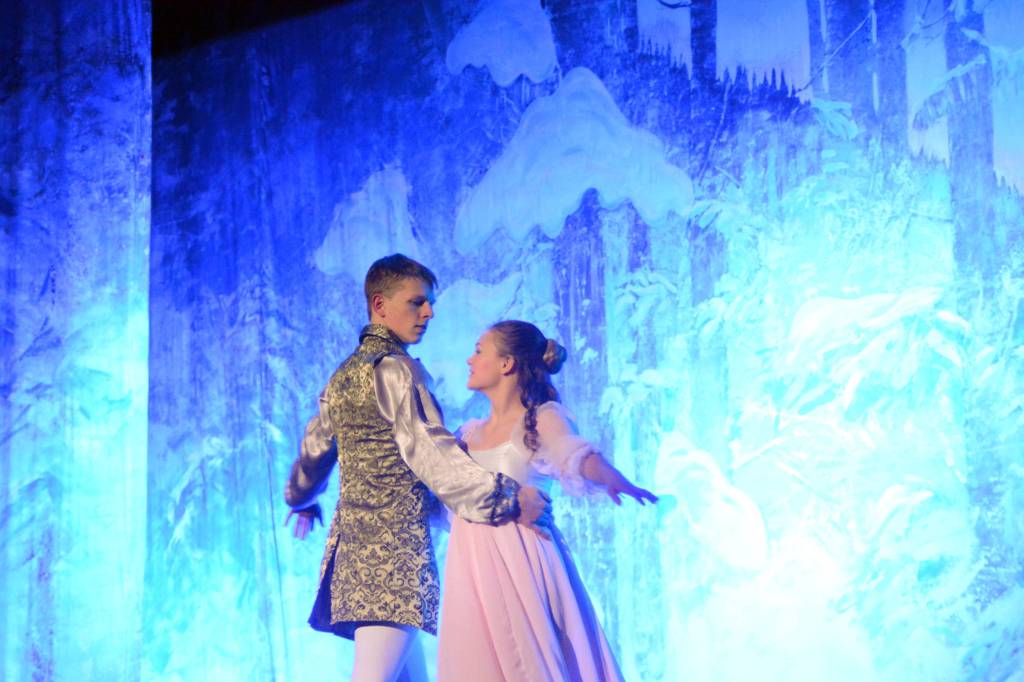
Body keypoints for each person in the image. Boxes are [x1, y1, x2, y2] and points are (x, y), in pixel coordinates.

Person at [284, 255, 552, 682]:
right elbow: (433, 454)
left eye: (429, 303)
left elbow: (314, 452)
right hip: (394, 563)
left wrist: (299, 499)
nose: (428, 312)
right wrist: (507, 496)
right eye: (417, 302)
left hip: (355, 563)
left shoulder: (342, 376)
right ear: (380, 304)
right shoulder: (395, 371)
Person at [437, 320, 657, 682]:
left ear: (507, 364)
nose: (469, 360)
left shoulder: (539, 419)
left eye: (479, 350)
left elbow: (573, 454)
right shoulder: (467, 435)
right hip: (471, 570)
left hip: (521, 562)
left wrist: (611, 477)